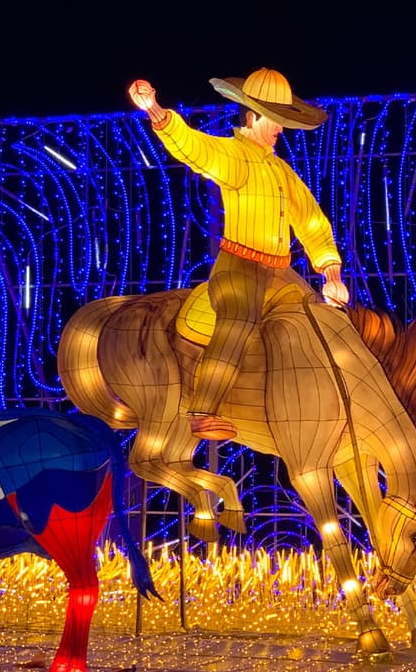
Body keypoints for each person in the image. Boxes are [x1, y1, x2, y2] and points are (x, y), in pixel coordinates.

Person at [128, 68, 350, 441]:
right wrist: (156, 111)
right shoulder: (234, 156)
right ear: (253, 117)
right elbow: (194, 147)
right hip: (239, 267)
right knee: (238, 322)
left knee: (318, 318)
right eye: (275, 119)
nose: (280, 129)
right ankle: (203, 409)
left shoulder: (281, 170)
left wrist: (330, 272)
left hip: (280, 271)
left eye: (283, 120)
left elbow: (311, 219)